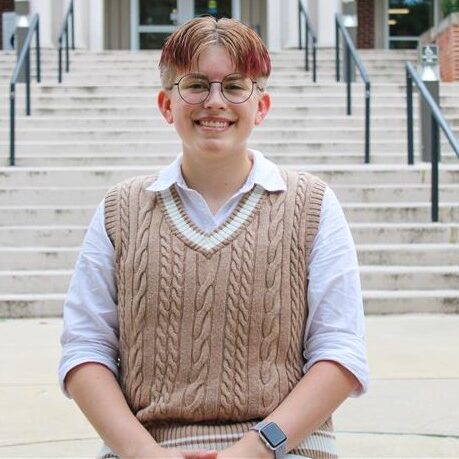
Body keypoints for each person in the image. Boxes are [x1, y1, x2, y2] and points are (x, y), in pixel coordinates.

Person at [59, 16, 368, 459]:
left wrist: (258, 447)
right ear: (167, 105)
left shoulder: (312, 204)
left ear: (261, 106)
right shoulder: (119, 209)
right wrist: (144, 453)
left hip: (286, 448)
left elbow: (340, 351)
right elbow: (85, 348)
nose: (215, 102)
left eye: (235, 86)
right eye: (196, 85)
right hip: (146, 448)